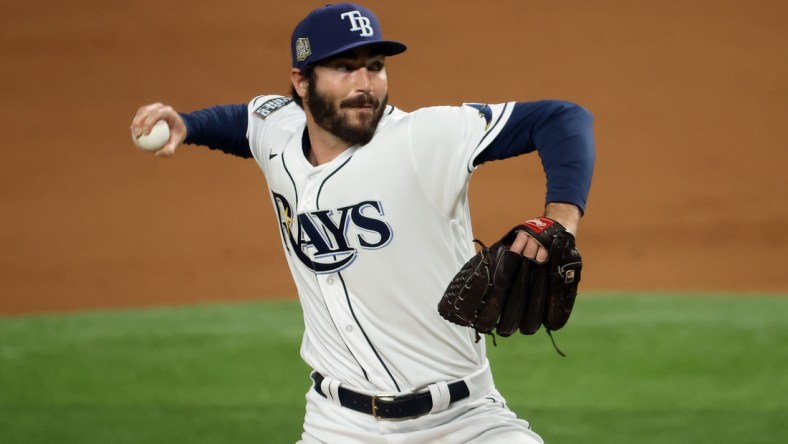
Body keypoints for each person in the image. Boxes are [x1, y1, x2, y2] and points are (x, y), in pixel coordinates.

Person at [130, 3, 594, 443]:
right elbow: (245, 123)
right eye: (344, 68)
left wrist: (561, 222)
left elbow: (561, 118)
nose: (365, 83)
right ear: (302, 82)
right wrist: (186, 125)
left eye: (374, 65)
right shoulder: (280, 131)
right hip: (338, 424)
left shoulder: (423, 138)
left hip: (464, 420)